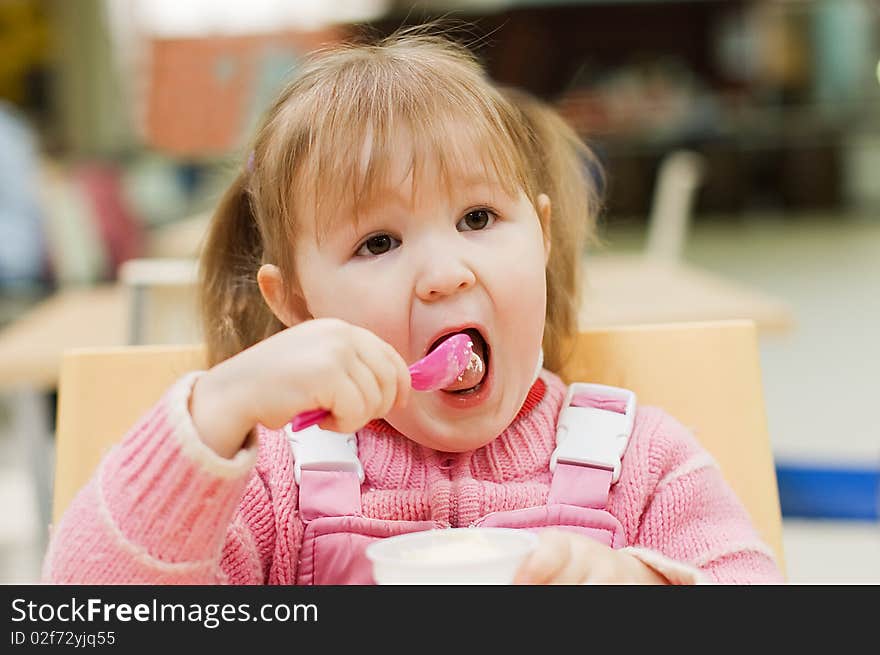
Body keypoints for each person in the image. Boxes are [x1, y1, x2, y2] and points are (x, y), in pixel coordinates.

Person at [43, 29, 783, 585]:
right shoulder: (271, 485)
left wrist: (642, 589)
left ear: (544, 236)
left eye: (478, 219)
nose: (443, 274)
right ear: (295, 303)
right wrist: (219, 406)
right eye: (378, 242)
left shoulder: (642, 462)